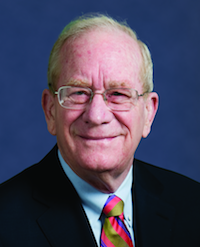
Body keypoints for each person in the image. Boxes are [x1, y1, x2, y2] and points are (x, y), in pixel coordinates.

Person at [0, 14, 200, 247]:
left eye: (118, 94)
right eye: (78, 93)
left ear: (148, 112)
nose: (96, 116)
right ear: (50, 110)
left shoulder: (193, 205)